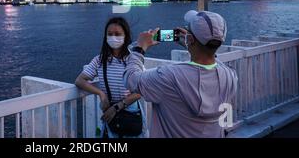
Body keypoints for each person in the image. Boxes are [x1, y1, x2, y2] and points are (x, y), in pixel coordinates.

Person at [124, 10, 238, 138]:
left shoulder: (169, 77)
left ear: (190, 38)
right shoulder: (230, 76)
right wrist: (191, 44)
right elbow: (212, 61)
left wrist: (139, 48)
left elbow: (131, 79)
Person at [75, 17, 148, 138]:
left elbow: (141, 89)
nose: (113, 37)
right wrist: (101, 94)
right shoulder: (99, 60)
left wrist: (118, 107)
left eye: (118, 34)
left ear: (126, 36)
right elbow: (79, 80)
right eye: (110, 34)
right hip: (111, 115)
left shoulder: (133, 60)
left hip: (130, 113)